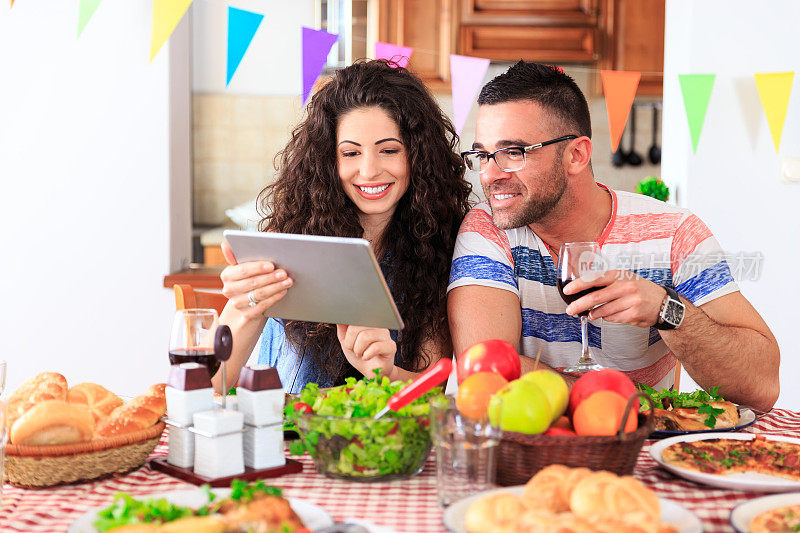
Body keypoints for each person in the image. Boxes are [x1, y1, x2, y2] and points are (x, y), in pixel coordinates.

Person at [447, 61, 779, 411]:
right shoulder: (489, 229)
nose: (489, 174)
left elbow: (761, 388)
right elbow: (484, 372)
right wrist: (623, 405)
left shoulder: (673, 233)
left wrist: (666, 310)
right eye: (483, 155)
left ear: (576, 155)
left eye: (513, 152)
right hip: (532, 448)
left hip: (645, 454)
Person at [216, 60, 472, 394]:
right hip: (282, 437)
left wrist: (387, 374)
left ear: (419, 156)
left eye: (389, 150)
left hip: (382, 442)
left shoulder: (440, 251)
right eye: (351, 153)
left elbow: (439, 390)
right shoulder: (290, 241)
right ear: (328, 161)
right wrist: (244, 307)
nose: (368, 171)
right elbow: (207, 385)